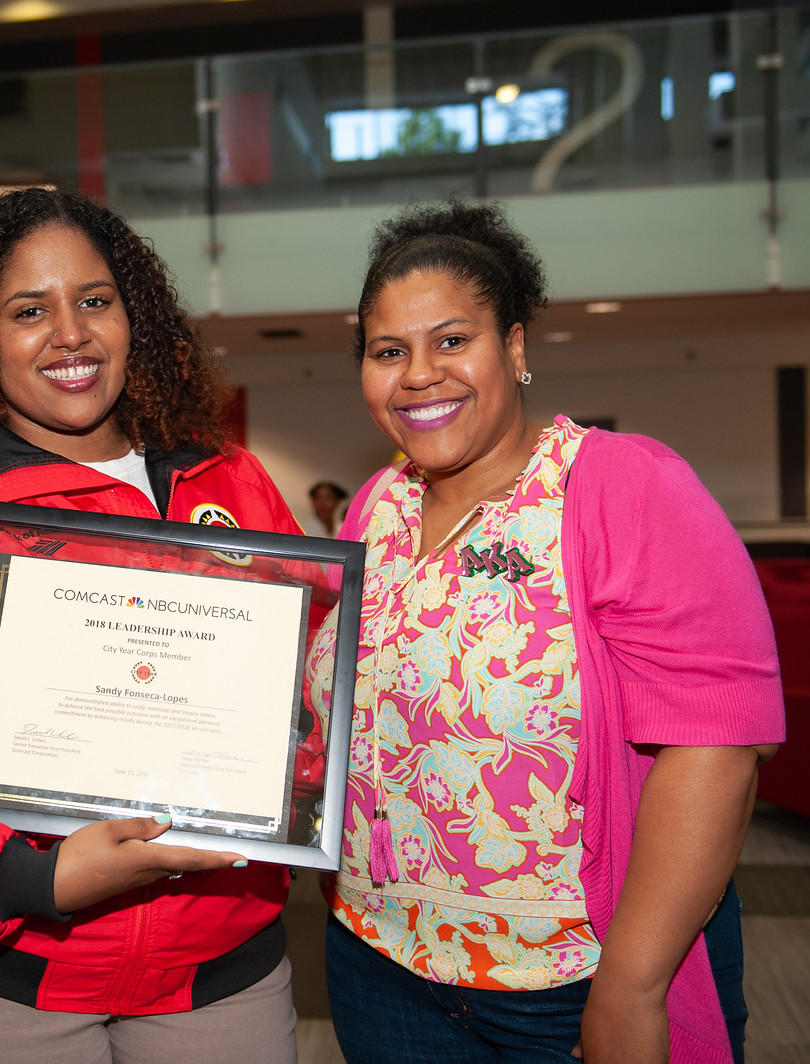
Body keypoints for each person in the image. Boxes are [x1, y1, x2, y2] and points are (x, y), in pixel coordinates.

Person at [0, 189, 308, 1064]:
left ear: (135, 318)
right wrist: (32, 878)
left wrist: (286, 784)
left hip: (218, 966)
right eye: (28, 311)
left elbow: (310, 697)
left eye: (95, 301)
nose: (69, 334)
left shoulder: (230, 480)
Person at [307, 200, 784, 1064]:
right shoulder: (376, 507)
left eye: (452, 340)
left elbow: (716, 747)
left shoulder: (617, 487)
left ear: (516, 348)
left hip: (569, 980)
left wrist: (632, 987)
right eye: (388, 351)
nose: (419, 374)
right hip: (377, 961)